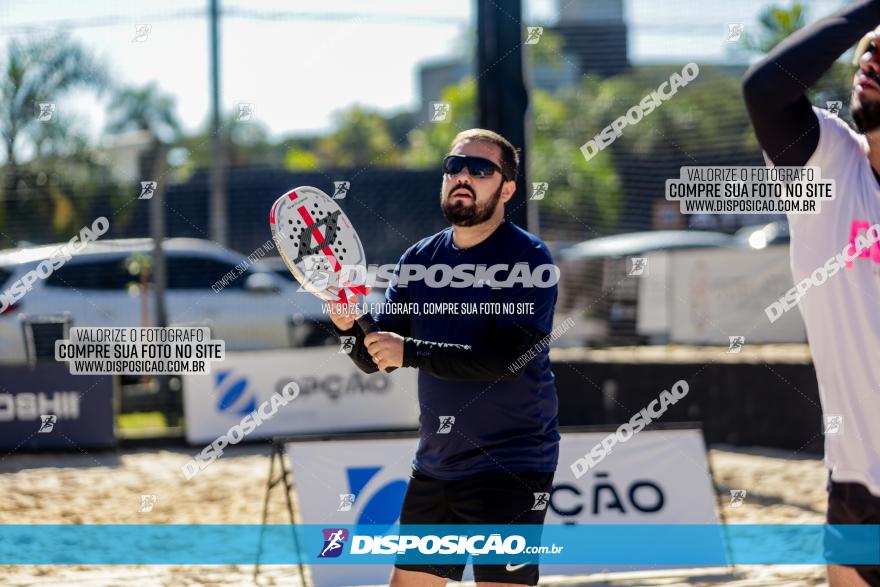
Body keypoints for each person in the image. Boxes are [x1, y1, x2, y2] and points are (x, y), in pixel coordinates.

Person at [329, 128, 559, 587]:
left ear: (507, 188)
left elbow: (507, 359)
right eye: (455, 166)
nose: (463, 176)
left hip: (510, 464)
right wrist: (347, 326)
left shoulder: (528, 258)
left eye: (480, 169)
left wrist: (409, 350)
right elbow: (378, 356)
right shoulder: (418, 259)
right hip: (436, 464)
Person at [743, 2, 880, 585]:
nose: (872, 58)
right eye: (871, 48)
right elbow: (766, 88)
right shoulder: (827, 163)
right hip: (855, 483)